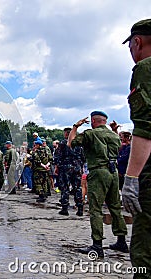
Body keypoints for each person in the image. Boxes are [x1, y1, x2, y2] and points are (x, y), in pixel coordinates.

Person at [68, 111, 128, 258]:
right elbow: (117, 146)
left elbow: (71, 143)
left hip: (98, 172)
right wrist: (114, 130)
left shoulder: (90, 134)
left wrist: (75, 126)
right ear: (105, 122)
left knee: (95, 208)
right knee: (115, 207)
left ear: (93, 121)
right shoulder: (114, 135)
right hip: (113, 173)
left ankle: (97, 245)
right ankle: (121, 241)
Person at [122, 18, 151, 275]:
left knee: (145, 255)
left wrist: (131, 178)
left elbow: (145, 128)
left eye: (130, 45)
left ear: (137, 42)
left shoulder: (145, 67)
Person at [54, 127, 85, 216]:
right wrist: (80, 166)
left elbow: (58, 156)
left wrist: (57, 167)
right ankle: (80, 208)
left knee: (65, 188)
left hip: (65, 168)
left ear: (66, 134)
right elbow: (83, 157)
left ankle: (64, 208)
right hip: (77, 168)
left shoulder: (63, 143)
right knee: (77, 188)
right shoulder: (79, 144)